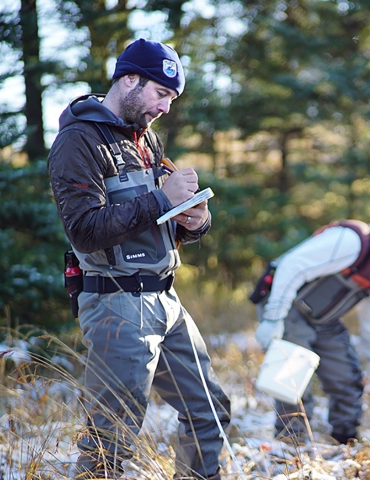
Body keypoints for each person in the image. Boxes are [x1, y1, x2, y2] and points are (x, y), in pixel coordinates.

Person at [48, 38, 230, 479]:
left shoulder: (145, 139)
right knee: (111, 441)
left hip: (167, 302)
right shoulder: (78, 141)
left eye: (171, 98)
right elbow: (86, 232)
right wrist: (159, 199)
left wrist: (194, 221)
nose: (166, 107)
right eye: (161, 94)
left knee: (209, 412)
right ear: (129, 79)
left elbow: (157, 219)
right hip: (116, 306)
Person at [250, 219, 370, 445]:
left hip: (325, 319)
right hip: (287, 308)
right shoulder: (351, 242)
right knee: (293, 381)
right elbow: (291, 266)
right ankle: (290, 448)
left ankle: (345, 444)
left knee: (347, 378)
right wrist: (274, 319)